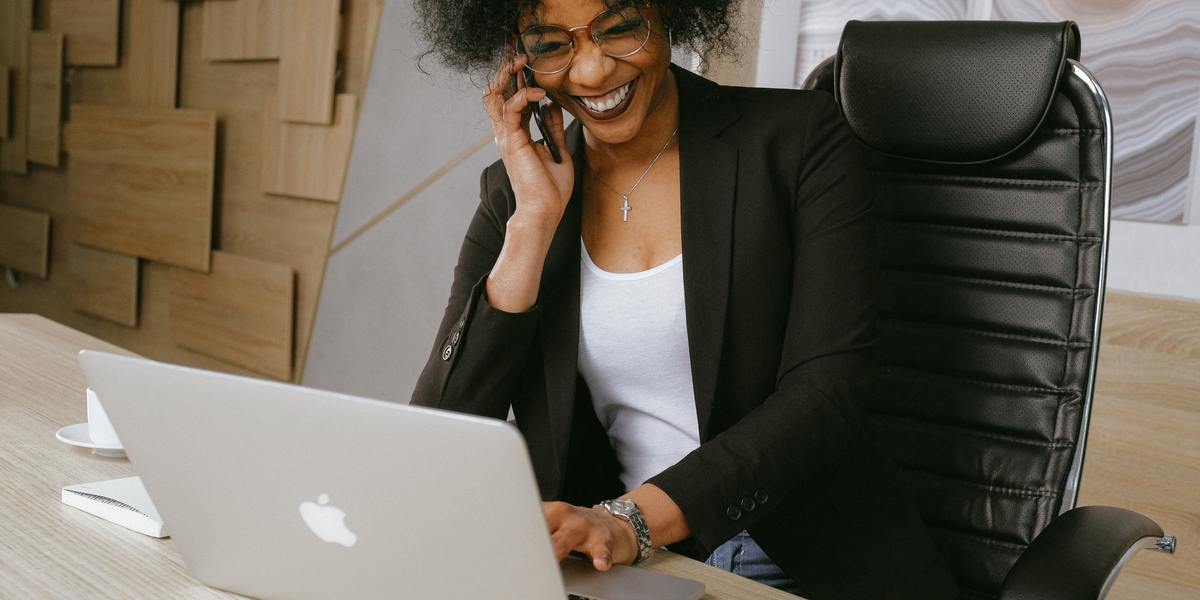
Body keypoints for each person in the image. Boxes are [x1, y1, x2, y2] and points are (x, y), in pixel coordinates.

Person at [410, 1, 958, 598]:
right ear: (518, 58)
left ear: (669, 12)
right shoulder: (516, 190)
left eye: (620, 28)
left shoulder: (798, 141)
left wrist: (631, 520)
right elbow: (448, 430)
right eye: (551, 44)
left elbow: (827, 389)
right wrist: (534, 223)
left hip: (794, 554)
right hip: (607, 563)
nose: (591, 72)